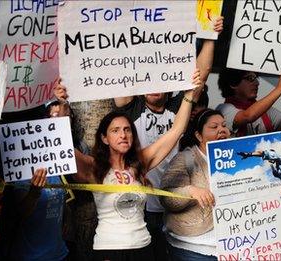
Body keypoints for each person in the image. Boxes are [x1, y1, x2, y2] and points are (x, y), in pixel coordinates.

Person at [71, 71, 201, 261]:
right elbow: (64, 149)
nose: (123, 135)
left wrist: (189, 96)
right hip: (109, 250)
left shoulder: (139, 163)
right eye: (115, 131)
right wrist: (58, 112)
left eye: (127, 130)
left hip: (143, 247)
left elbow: (176, 130)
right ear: (104, 138)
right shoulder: (95, 167)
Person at [161, 109, 281, 260]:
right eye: (214, 127)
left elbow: (255, 192)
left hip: (235, 247)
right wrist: (190, 191)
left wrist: (278, 195)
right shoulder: (186, 159)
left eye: (224, 126)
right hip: (193, 249)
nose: (222, 129)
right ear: (198, 135)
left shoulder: (240, 159)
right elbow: (166, 198)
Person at [216, 68, 281, 136]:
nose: (257, 83)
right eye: (250, 78)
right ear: (233, 83)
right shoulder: (223, 110)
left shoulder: (266, 112)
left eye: (256, 78)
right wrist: (280, 87)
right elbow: (248, 116)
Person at [9, 168, 68, 261]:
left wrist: (65, 219)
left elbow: (63, 198)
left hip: (58, 252)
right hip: (33, 254)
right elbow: (22, 213)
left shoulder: (55, 168)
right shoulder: (21, 174)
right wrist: (34, 192)